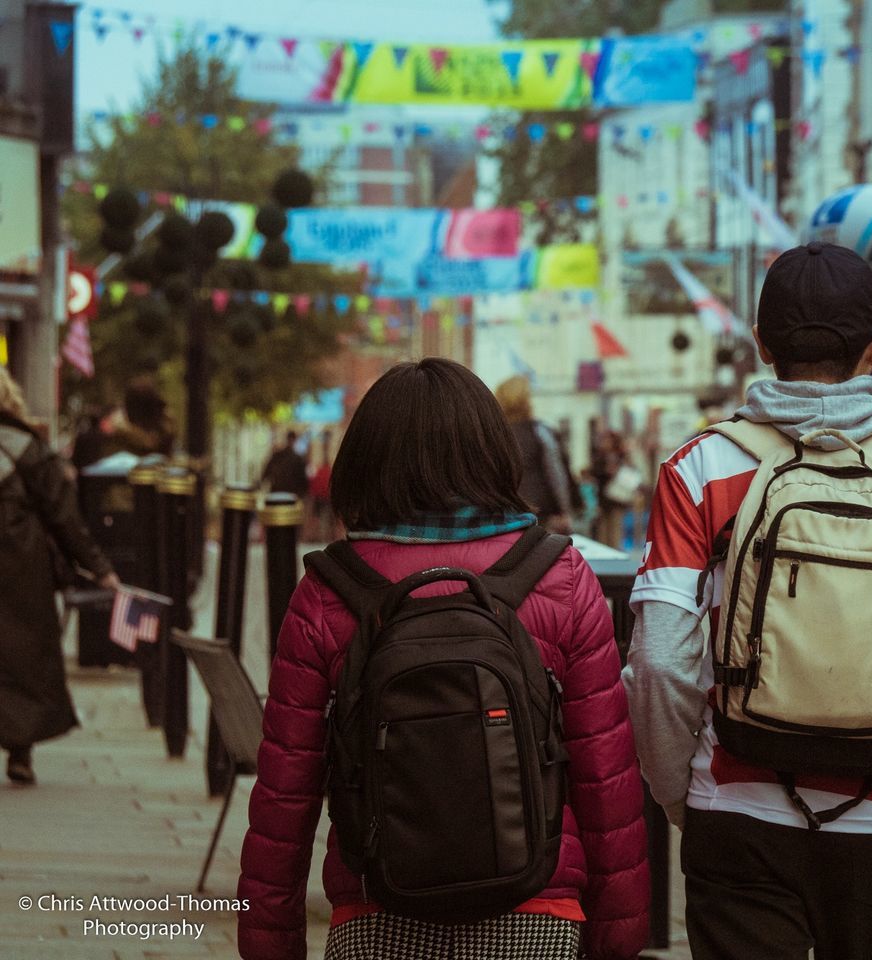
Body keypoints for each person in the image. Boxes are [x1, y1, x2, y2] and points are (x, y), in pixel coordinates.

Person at [623, 242, 872, 960]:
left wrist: (682, 795)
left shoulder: (700, 467)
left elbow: (658, 663)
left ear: (761, 341)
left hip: (735, 810)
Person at [237, 358, 649, 960]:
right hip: (538, 914)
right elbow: (605, 777)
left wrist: (270, 946)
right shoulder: (559, 575)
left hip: (377, 917)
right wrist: (617, 936)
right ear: (492, 452)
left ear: (366, 460)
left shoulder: (329, 591)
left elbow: (284, 796)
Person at [0, 367, 119, 786]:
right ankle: (20, 750)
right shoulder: (28, 448)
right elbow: (63, 518)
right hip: (21, 567)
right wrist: (99, 569)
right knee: (25, 656)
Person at [494, 375, 575, 534]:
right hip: (538, 511)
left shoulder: (494, 434)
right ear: (526, 401)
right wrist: (564, 510)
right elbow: (555, 475)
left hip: (503, 512)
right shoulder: (539, 432)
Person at [259, 429, 309, 500]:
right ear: (295, 441)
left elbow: (267, 471)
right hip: (291, 494)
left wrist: (261, 483)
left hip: (276, 491)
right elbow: (303, 479)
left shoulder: (277, 455)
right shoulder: (298, 459)